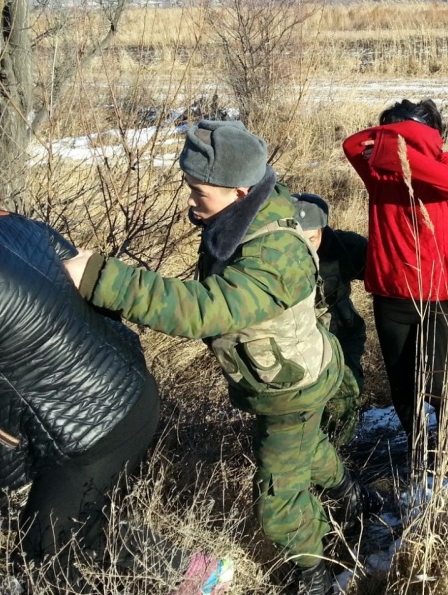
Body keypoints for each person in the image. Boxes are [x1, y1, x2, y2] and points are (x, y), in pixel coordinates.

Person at [64, 120, 376, 595]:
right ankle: (350, 496)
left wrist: (101, 278)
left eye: (198, 189)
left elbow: (207, 310)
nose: (190, 199)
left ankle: (313, 573)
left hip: (290, 390)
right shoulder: (243, 213)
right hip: (287, 380)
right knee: (304, 450)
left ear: (240, 189)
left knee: (278, 497)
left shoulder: (275, 255)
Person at [0, 182, 159, 590]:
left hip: (86, 437)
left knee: (42, 565)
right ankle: (196, 573)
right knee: (88, 533)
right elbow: (76, 267)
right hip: (132, 392)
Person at [342, 99, 448, 467]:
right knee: (402, 382)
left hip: (441, 293)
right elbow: (351, 144)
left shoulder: (447, 163)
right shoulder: (378, 172)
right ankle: (417, 446)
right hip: (392, 293)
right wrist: (393, 142)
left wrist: (399, 145)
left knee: (438, 381)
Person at [292, 193, 367, 446]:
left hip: (341, 334)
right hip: (298, 342)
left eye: (311, 238)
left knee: (346, 393)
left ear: (323, 230)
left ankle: (340, 454)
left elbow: (385, 269)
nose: (305, 245)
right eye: (298, 238)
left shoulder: (345, 247)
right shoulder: (275, 252)